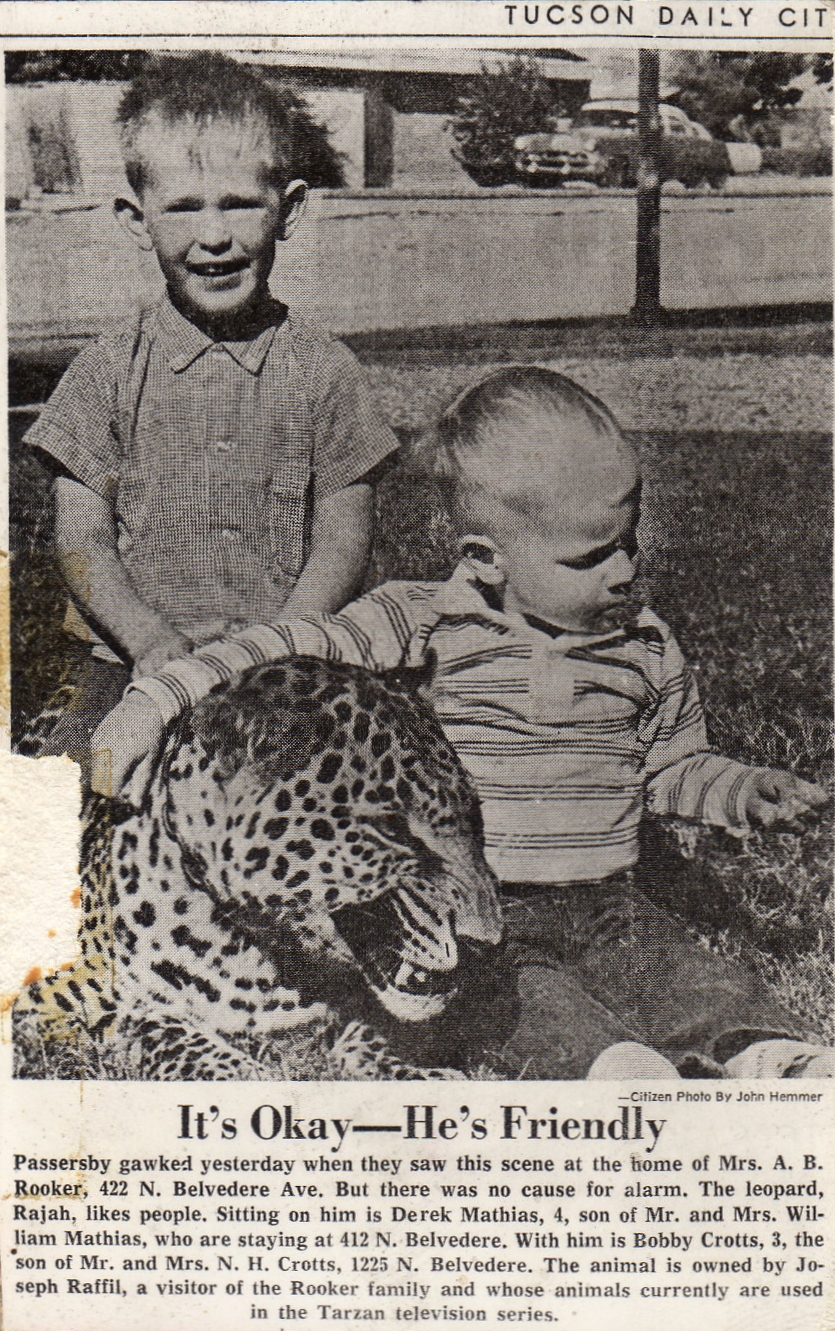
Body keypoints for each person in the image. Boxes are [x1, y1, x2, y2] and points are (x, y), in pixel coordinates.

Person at [91, 366, 831, 1079]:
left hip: (611, 902)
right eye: (592, 555)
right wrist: (159, 700)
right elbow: (285, 647)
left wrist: (741, 791)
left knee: (697, 980)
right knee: (535, 1014)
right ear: (485, 559)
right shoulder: (418, 620)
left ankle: (770, 1055)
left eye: (629, 541)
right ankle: (621, 1079)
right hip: (488, 910)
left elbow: (669, 768)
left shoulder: (644, 645)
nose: (626, 571)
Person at [24, 53, 397, 787]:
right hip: (126, 662)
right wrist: (148, 640)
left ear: (289, 210)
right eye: (184, 208)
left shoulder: (325, 372)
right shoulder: (104, 373)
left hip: (284, 663)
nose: (215, 236)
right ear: (136, 220)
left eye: (239, 204)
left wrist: (286, 642)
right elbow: (82, 540)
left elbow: (343, 536)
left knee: (343, 794)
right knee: (69, 799)